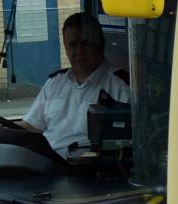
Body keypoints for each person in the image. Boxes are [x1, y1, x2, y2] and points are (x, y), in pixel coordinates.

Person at [20, 12, 125, 157]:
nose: (79, 51)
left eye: (86, 43)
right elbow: (32, 126)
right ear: (65, 46)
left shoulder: (120, 85)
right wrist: (3, 129)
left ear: (100, 44)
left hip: (89, 170)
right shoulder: (55, 83)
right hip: (48, 163)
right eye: (73, 44)